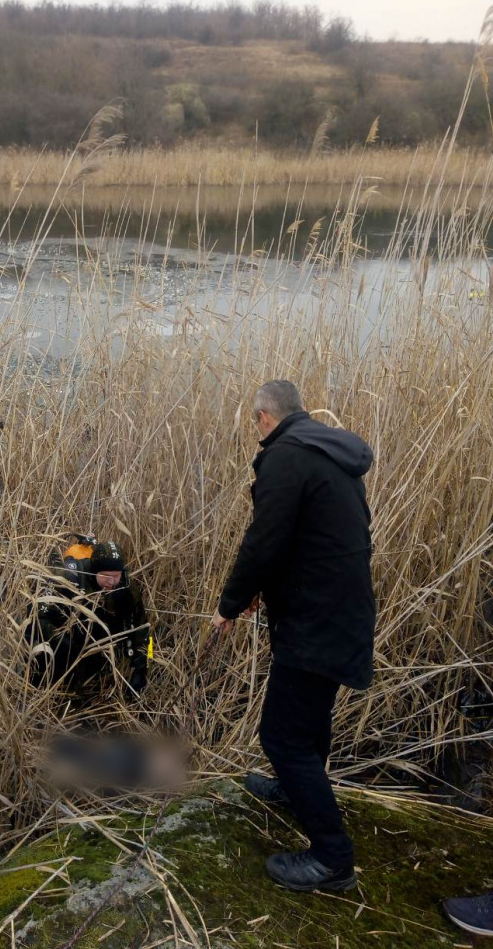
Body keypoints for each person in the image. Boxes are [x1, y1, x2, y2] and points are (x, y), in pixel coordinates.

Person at [211, 379, 376, 892]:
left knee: (281, 736)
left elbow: (264, 542)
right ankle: (294, 788)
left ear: (264, 417)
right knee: (310, 719)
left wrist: (229, 605)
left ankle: (332, 859)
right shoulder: (327, 450)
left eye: (254, 422)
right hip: (338, 608)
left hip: (315, 619)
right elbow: (319, 535)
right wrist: (274, 587)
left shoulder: (284, 457)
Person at [26, 536, 149, 701]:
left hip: (99, 645)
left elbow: (144, 629)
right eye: (105, 575)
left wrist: (142, 668)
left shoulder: (126, 586)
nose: (112, 581)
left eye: (116, 575)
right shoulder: (70, 578)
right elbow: (36, 618)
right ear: (93, 570)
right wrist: (66, 646)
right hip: (68, 639)